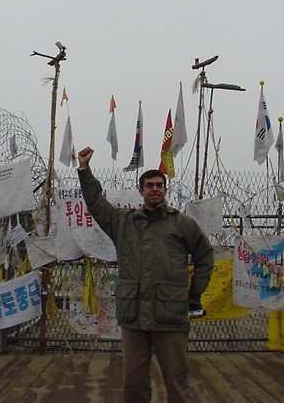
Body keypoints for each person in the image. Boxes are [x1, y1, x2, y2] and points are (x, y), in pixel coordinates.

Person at [77, 146, 214, 403]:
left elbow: (205, 255)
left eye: (159, 185)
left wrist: (194, 293)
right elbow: (96, 204)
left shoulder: (182, 224)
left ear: (165, 190)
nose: (155, 188)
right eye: (149, 185)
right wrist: (84, 169)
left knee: (177, 380)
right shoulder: (123, 223)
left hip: (169, 316)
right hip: (134, 318)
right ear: (140, 191)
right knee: (133, 383)